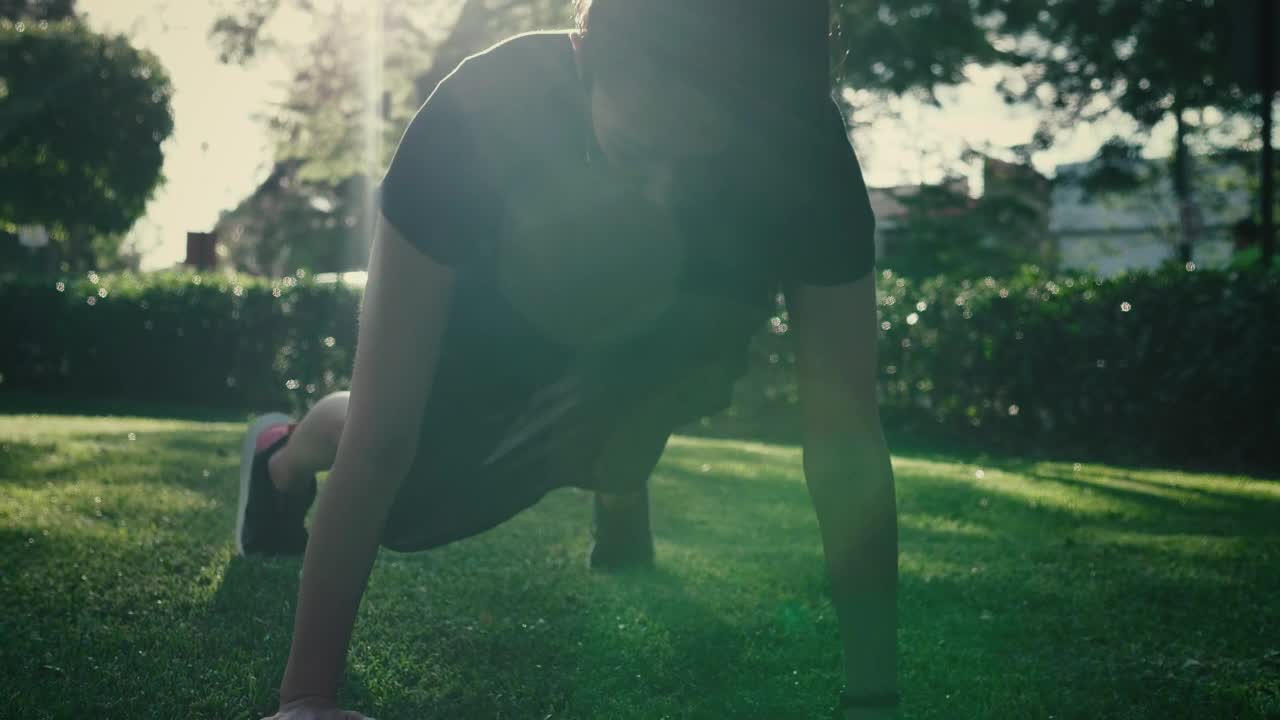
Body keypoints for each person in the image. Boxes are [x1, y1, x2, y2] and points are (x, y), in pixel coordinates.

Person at [239, 1, 898, 718]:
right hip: (494, 327)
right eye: (642, 153)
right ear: (587, 62)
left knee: (676, 359)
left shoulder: (805, 150)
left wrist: (873, 696)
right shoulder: (478, 110)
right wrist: (307, 696)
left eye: (709, 166)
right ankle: (283, 455)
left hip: (652, 328)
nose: (665, 198)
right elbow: (382, 436)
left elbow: (846, 438)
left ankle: (617, 490)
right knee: (412, 505)